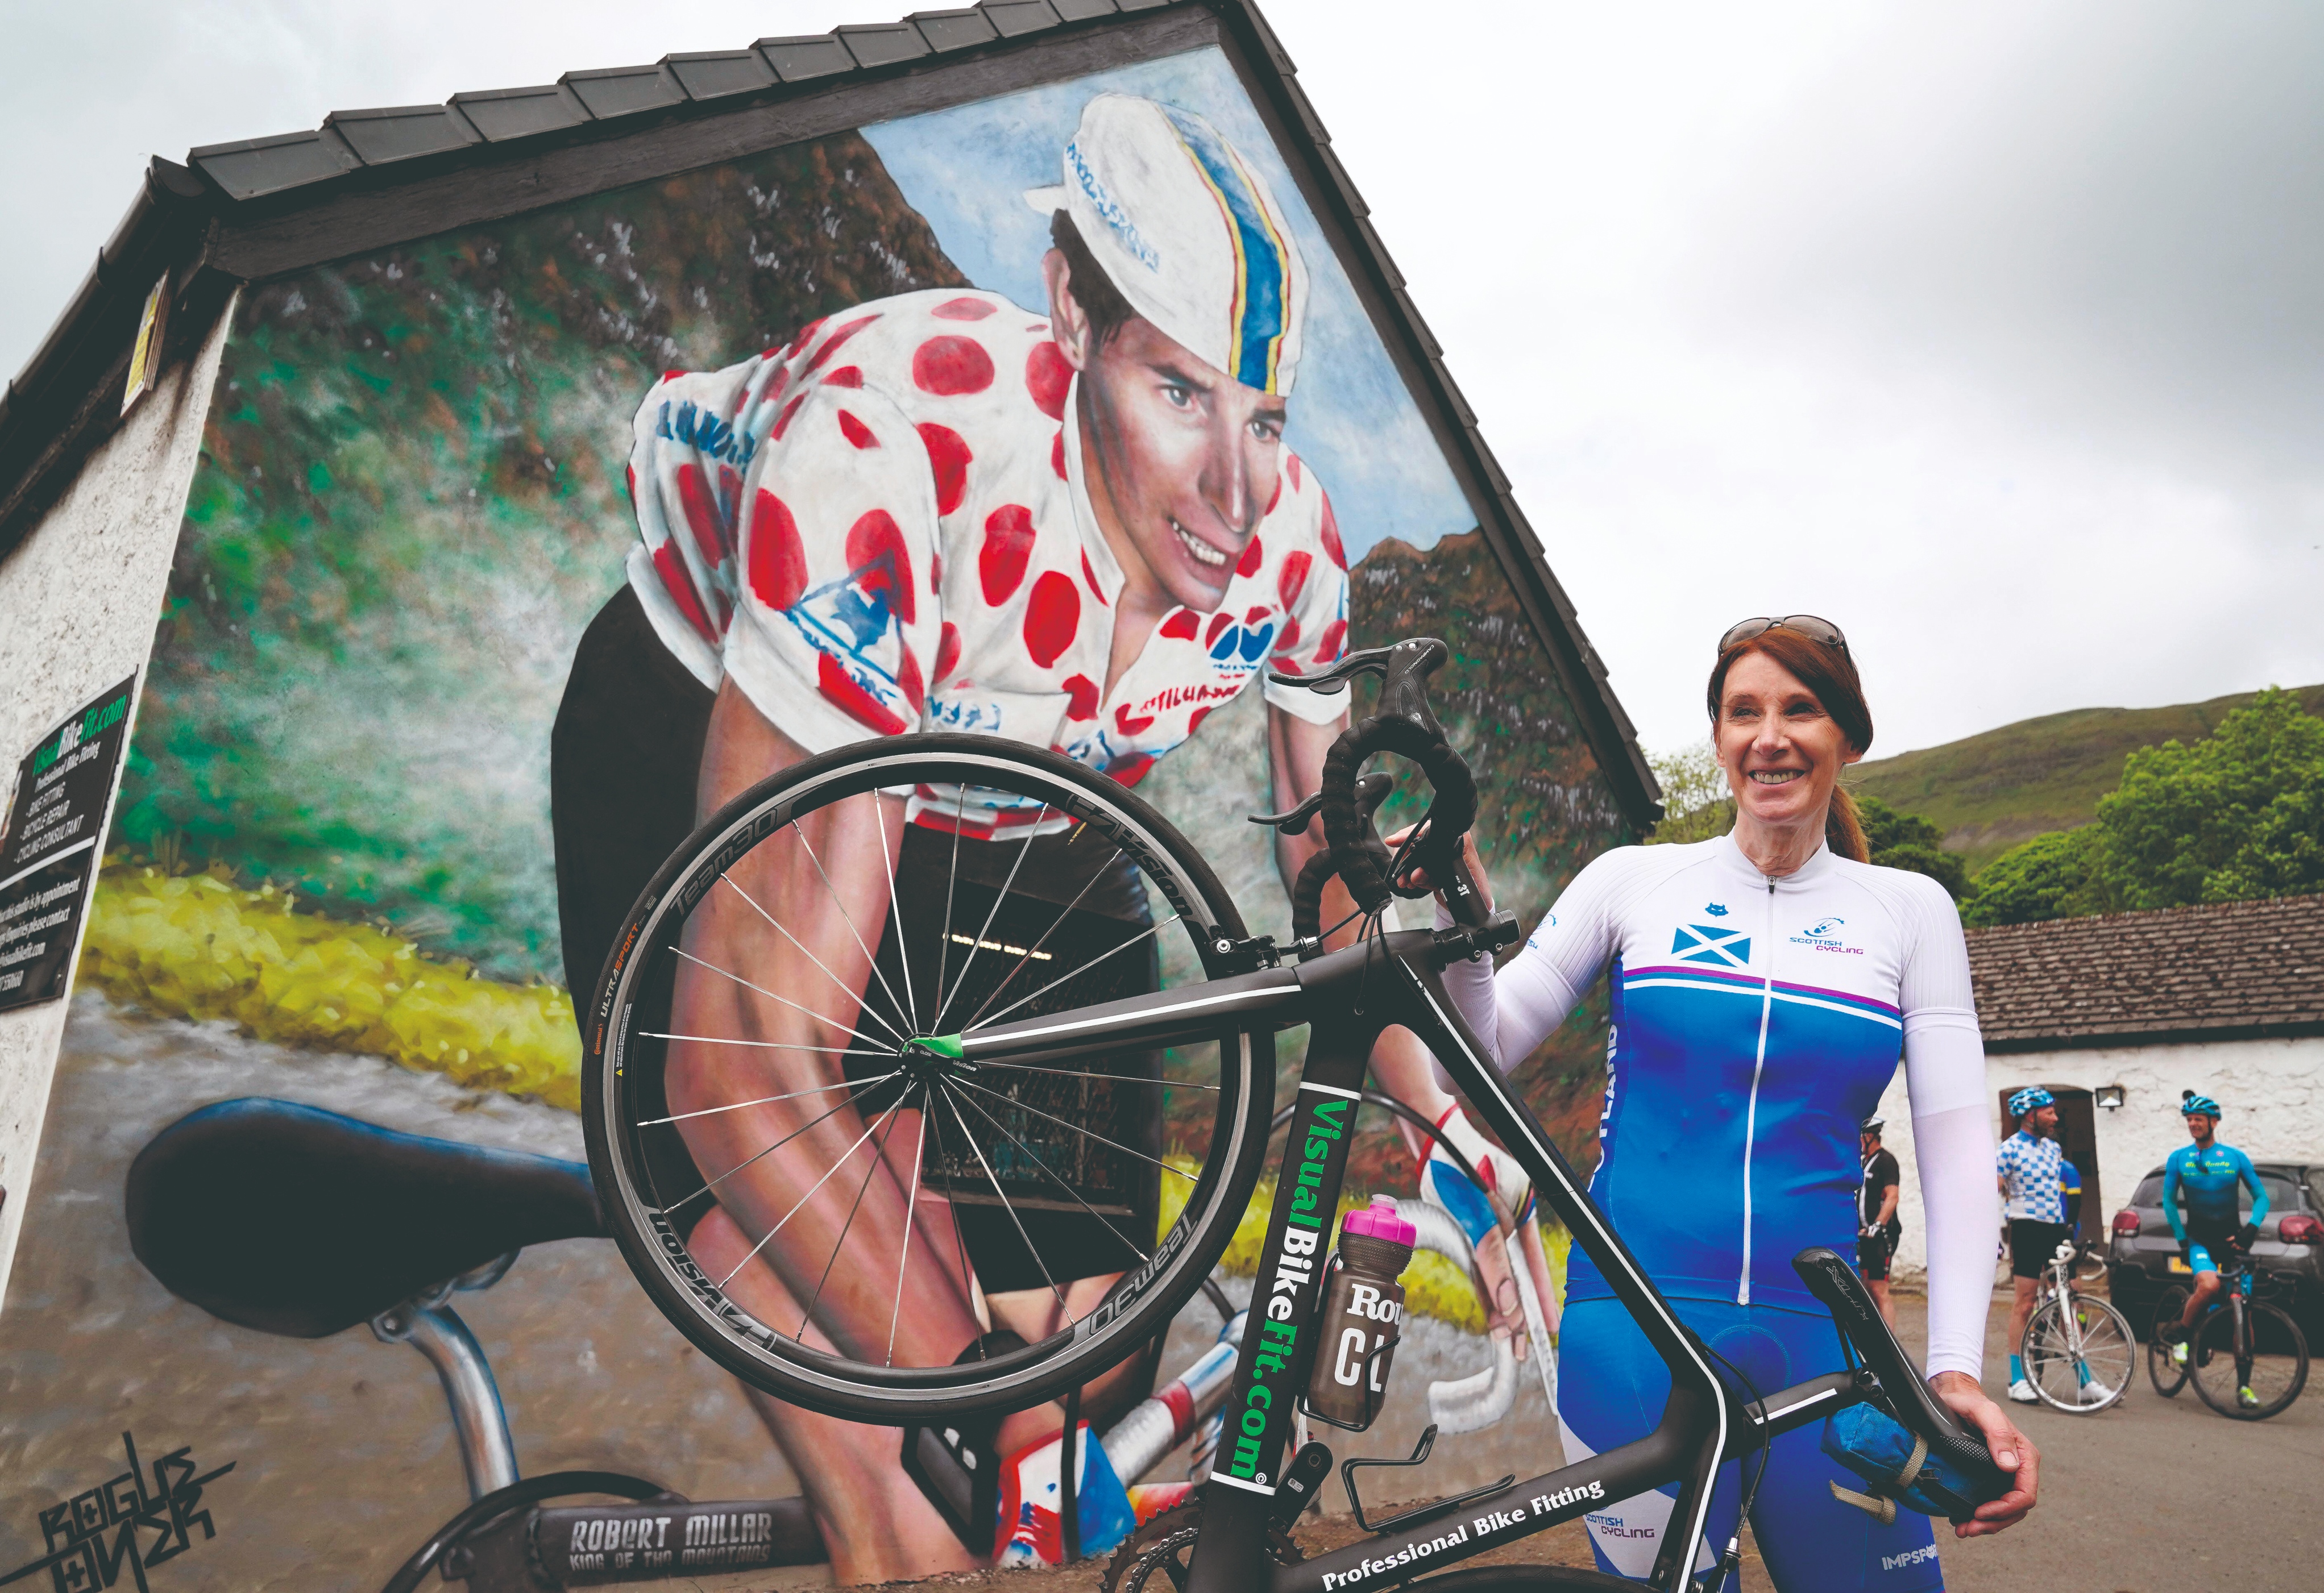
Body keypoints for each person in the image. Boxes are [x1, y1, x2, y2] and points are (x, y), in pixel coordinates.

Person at [588, 91, 1474, 1581]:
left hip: (1026, 793)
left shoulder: (1291, 545)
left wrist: (1451, 1123)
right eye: (1178, 391)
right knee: (909, 1450)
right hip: (728, 691)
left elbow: (1332, 864)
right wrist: (989, 1416)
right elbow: (743, 1066)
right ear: (1072, 314)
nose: (1235, 491)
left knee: (1086, 1368)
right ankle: (892, 1528)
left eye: (1262, 417)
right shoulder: (887, 450)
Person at [1413, 616, 2036, 1590]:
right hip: (1634, 1336)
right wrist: (1462, 920)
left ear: (1848, 737)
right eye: (1744, 712)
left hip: (1826, 1347)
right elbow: (1475, 1056)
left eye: (1800, 709)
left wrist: (1954, 1368)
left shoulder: (1910, 910)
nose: (1769, 736)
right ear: (1718, 738)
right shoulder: (1634, 881)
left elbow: (1958, 1159)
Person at [2158, 1092, 2270, 1405]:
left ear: (2214, 1122)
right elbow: (2169, 1201)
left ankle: (2244, 1387)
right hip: (2199, 1241)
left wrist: (2250, 1230)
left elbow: (2262, 1198)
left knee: (2242, 1313)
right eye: (2189, 1120)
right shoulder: (2179, 1158)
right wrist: (2182, 1240)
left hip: (2233, 1242)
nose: (2193, 1124)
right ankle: (2182, 1338)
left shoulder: (2234, 1157)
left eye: (2199, 1119)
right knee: (2208, 1285)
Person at [1996, 1086, 2069, 1403]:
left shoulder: (2054, 1149)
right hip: (2026, 1227)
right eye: (2049, 1113)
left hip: (2055, 1228)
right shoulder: (2008, 1150)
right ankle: (2017, 1379)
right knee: (2025, 1302)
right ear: (2030, 1115)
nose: (2055, 1118)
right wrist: (1994, 1236)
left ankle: (2084, 1379)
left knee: (2070, 1298)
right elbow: (1993, 1193)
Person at [1858, 1117, 1903, 1327]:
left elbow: (1892, 1196)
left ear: (1870, 1136)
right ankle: (1875, 1334)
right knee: (1866, 1287)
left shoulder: (1886, 1161)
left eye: (1859, 1137)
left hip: (1881, 1235)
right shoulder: (1864, 1161)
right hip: (1863, 1235)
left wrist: (1877, 1225)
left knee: (1879, 1289)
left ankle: (1889, 1342)